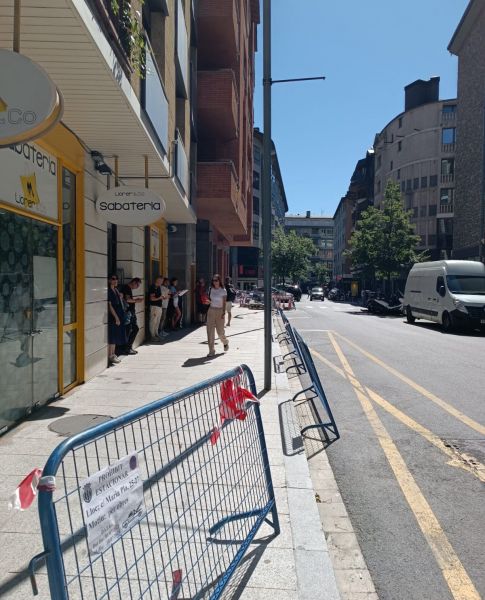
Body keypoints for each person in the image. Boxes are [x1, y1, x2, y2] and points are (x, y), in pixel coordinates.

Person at [206, 274, 229, 357]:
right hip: (211, 310)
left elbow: (224, 303)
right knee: (210, 331)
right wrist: (208, 302)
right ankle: (211, 350)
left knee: (220, 332)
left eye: (216, 280)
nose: (214, 282)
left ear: (219, 281)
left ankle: (225, 342)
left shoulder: (223, 290)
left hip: (220, 311)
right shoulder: (211, 289)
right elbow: (210, 300)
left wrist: (223, 312)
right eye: (213, 280)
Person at [119, 277, 143, 355]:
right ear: (134, 282)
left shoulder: (128, 288)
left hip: (130, 312)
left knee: (131, 329)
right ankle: (126, 348)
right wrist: (137, 300)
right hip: (128, 312)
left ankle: (127, 348)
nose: (137, 287)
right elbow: (127, 300)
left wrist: (135, 300)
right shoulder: (126, 288)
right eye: (137, 285)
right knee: (131, 329)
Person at [108, 274, 127, 365]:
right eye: (113, 279)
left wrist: (121, 297)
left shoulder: (116, 290)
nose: (115, 280)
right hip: (114, 316)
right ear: (109, 280)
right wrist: (116, 318)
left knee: (116, 336)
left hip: (119, 315)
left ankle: (113, 354)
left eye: (116, 279)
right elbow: (110, 306)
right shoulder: (109, 291)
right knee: (112, 336)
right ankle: (111, 355)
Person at [148, 276, 164, 341]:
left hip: (159, 306)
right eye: (161, 281)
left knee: (157, 321)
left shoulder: (159, 287)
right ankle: (152, 336)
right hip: (154, 306)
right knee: (153, 321)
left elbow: (158, 297)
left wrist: (162, 297)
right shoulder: (153, 287)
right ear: (157, 280)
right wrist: (159, 298)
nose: (162, 282)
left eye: (162, 281)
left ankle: (156, 334)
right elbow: (152, 299)